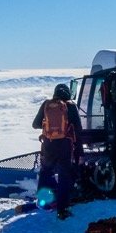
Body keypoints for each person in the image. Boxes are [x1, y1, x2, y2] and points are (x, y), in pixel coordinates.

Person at [29, 83, 83, 220]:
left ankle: (43, 203)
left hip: (48, 145)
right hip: (65, 145)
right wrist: (79, 150)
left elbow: (35, 124)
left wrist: (48, 126)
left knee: (46, 172)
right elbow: (78, 128)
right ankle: (62, 209)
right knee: (64, 175)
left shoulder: (47, 104)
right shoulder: (70, 106)